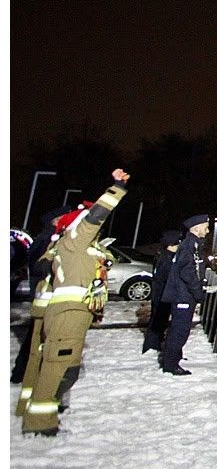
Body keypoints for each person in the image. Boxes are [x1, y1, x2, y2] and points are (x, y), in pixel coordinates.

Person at [23, 170, 130, 435]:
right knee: (57, 365)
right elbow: (95, 216)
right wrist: (117, 188)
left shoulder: (76, 246)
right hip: (69, 312)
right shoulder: (74, 239)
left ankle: (45, 408)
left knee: (61, 364)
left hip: (75, 311)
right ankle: (40, 422)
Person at [11, 207, 70, 386]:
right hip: (44, 295)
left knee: (37, 337)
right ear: (55, 221)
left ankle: (22, 372)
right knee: (35, 338)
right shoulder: (45, 239)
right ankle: (22, 373)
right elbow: (38, 266)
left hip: (47, 296)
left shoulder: (54, 238)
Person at [161, 215, 211, 376]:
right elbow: (187, 270)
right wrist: (197, 291)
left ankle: (175, 356)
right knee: (179, 330)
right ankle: (171, 364)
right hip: (183, 296)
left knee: (180, 328)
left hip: (184, 294)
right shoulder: (190, 245)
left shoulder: (192, 243)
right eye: (205, 227)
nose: (208, 230)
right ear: (196, 228)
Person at [142, 230, 181, 356]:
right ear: (170, 244)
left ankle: (155, 341)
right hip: (162, 293)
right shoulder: (166, 259)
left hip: (162, 293)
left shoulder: (164, 255)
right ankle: (152, 344)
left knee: (160, 319)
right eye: (177, 244)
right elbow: (166, 277)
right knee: (158, 319)